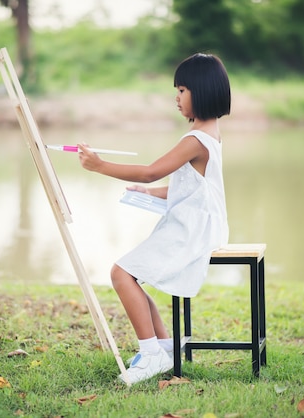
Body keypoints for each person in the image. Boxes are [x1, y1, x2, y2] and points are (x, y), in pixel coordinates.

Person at [77, 53, 230, 384]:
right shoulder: (211, 134)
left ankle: (150, 356)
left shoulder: (195, 140)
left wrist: (99, 165)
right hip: (200, 223)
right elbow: (192, 187)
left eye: (183, 90)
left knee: (122, 273)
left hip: (192, 231)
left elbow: (149, 172)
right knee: (131, 274)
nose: (176, 98)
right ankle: (162, 347)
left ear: (202, 92)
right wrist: (150, 194)